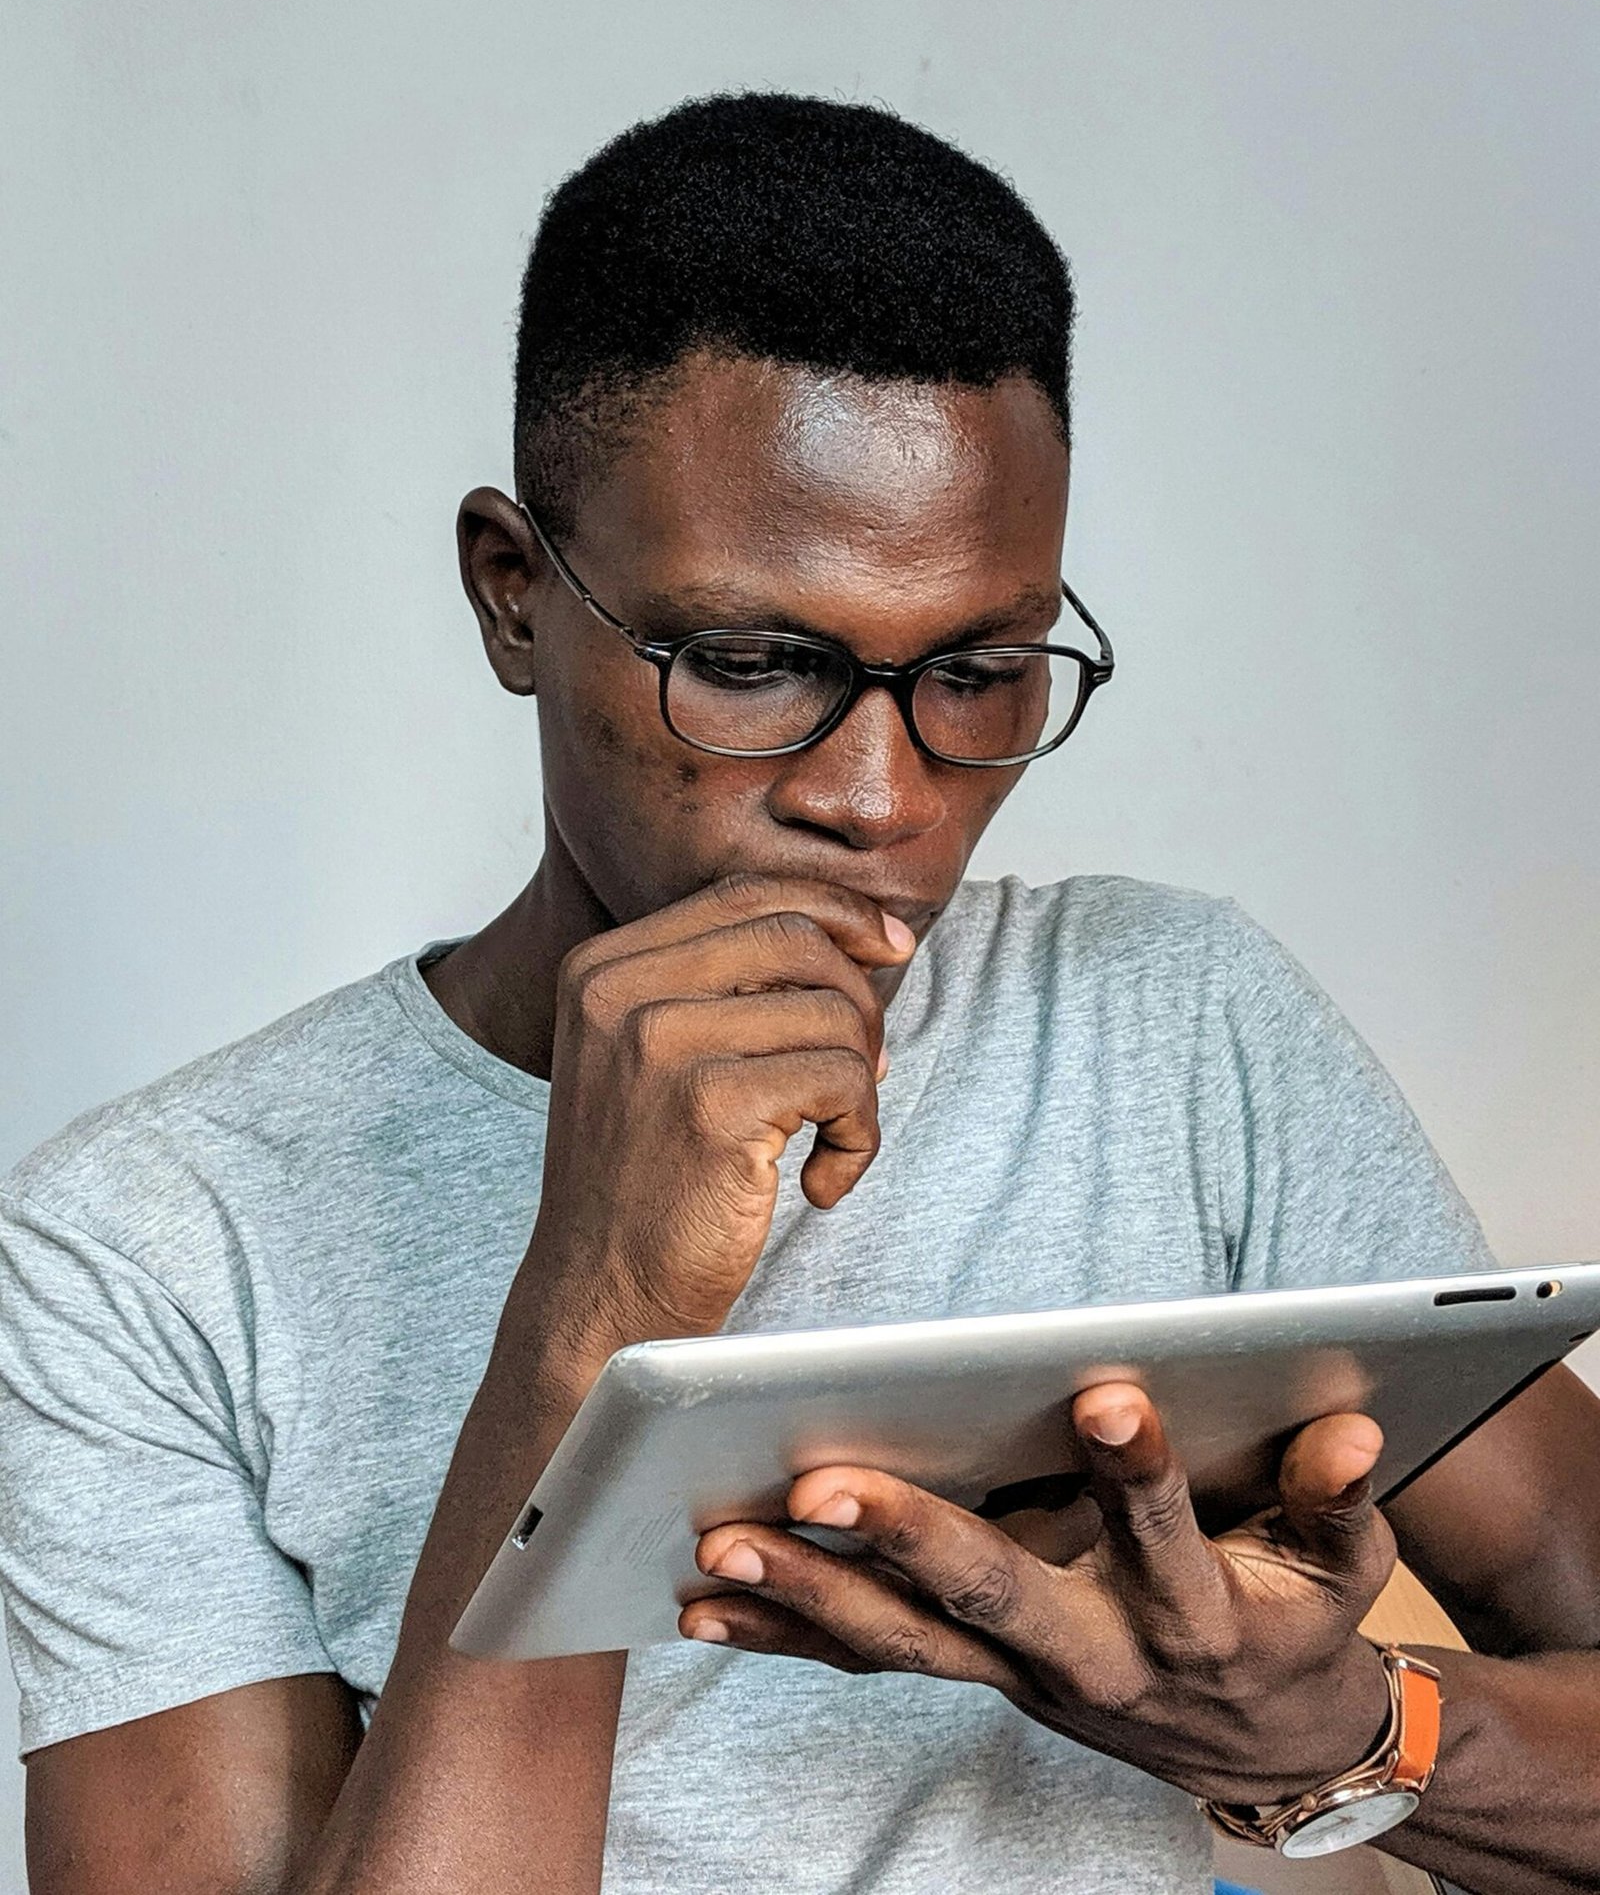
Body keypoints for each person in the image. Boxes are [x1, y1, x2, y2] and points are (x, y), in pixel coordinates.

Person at [2, 94, 1596, 1895]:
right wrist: (590, 1321)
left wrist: (1338, 1738)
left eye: (984, 672)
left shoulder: (1178, 1025)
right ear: (515, 595)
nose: (879, 794)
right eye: (756, 663)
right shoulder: (148, 1245)